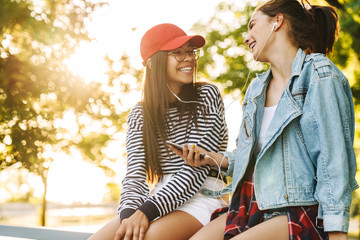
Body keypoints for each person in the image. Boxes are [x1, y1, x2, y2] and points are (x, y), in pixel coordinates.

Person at [169, 0, 358, 239]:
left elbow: (333, 160)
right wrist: (210, 158)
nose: (246, 38)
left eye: (252, 26)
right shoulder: (256, 88)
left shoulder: (319, 74)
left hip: (297, 208)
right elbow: (254, 159)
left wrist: (336, 232)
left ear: (277, 21)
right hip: (250, 204)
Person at [88, 23, 228, 240]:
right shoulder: (139, 114)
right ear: (154, 63)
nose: (189, 58)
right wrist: (129, 216)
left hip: (201, 194)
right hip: (157, 198)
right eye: (178, 53)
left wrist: (146, 212)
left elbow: (196, 170)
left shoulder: (206, 95)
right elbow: (134, 174)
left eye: (190, 52)